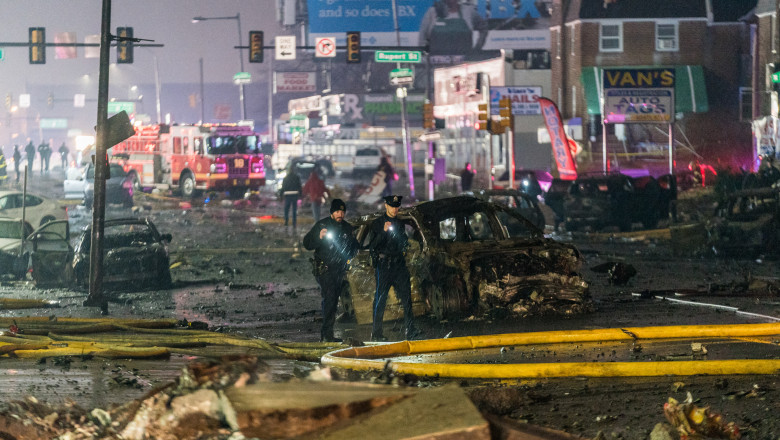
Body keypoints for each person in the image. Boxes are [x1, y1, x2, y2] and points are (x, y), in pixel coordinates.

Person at [302, 198, 359, 342]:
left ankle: (327, 334)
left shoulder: (347, 228)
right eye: (337, 211)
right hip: (324, 269)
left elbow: (353, 247)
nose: (340, 214)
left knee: (333, 302)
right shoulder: (322, 225)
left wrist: (349, 258)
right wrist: (319, 237)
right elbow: (307, 243)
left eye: (342, 211)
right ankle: (326, 335)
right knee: (330, 299)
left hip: (339, 270)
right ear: (332, 212)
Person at [367, 195, 419, 341]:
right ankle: (376, 334)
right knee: (381, 299)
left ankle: (410, 330)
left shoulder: (400, 223)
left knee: (407, 298)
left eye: (397, 206)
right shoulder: (377, 223)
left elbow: (403, 241)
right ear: (386, 205)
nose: (395, 209)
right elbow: (372, 246)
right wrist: (383, 232)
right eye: (392, 206)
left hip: (399, 264)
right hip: (384, 266)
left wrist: (405, 244)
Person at [418, 0, 488, 54]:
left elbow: (484, 28)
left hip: (465, 63)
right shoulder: (432, 12)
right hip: (436, 62)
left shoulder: (468, 11)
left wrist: (477, 48)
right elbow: (422, 38)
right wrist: (424, 55)